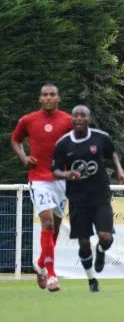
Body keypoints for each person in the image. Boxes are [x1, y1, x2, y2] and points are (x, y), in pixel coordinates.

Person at [52, 105, 124, 293]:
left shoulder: (100, 138)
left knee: (106, 237)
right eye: (76, 115)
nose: (79, 118)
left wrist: (119, 171)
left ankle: (101, 251)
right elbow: (54, 171)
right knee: (84, 243)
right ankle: (91, 279)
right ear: (72, 119)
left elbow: (112, 155)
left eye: (83, 115)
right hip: (78, 200)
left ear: (89, 118)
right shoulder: (63, 144)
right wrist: (67, 174)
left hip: (100, 197)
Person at [10, 84, 72, 292]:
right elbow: (15, 140)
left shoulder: (68, 121)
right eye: (44, 95)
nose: (48, 98)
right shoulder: (28, 120)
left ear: (58, 98)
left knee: (53, 228)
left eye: (52, 94)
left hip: (61, 180)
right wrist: (23, 157)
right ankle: (52, 274)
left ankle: (41, 263)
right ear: (39, 99)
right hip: (38, 179)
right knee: (46, 222)